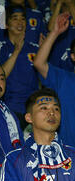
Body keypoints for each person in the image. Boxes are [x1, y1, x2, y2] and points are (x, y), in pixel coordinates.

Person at [0, 4, 40, 126]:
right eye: (15, 18)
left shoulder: (35, 48)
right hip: (11, 108)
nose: (20, 22)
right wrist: (17, 50)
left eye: (23, 18)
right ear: (6, 25)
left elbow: (43, 78)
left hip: (33, 109)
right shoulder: (0, 47)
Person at [33, 12, 75, 148]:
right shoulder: (64, 79)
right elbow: (39, 63)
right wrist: (55, 32)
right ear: (73, 57)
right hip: (67, 155)